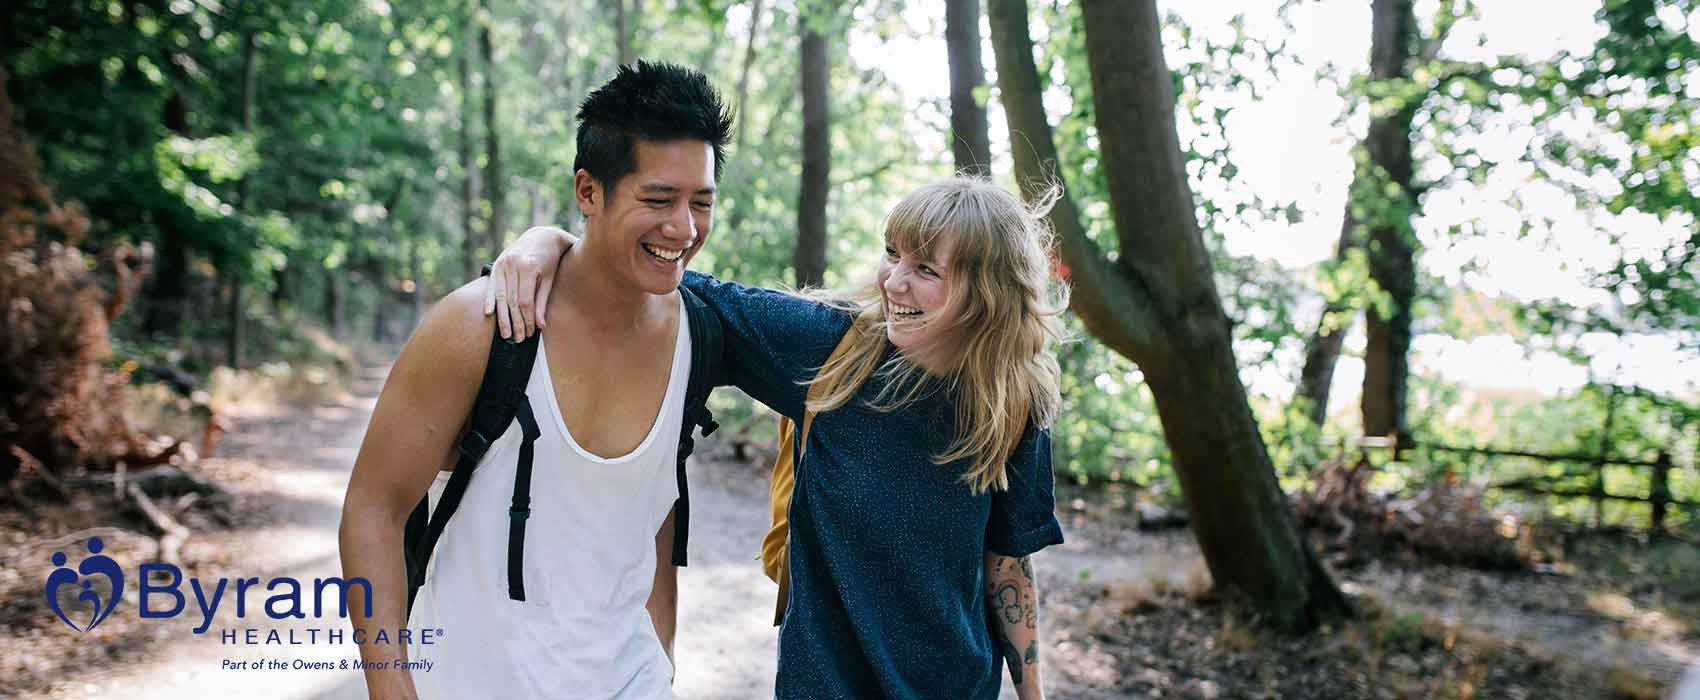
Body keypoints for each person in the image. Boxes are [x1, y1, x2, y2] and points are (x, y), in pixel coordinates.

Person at [491, 177, 1068, 699]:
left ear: (988, 292)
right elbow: (676, 287)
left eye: (927, 271)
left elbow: (1007, 565)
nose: (894, 281)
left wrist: (1032, 694)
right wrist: (551, 241)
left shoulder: (1013, 399)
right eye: (894, 255)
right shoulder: (832, 352)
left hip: (958, 685)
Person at [337, 61, 732, 699]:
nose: (684, 229)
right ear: (589, 191)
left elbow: (652, 514)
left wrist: (661, 662)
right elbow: (373, 509)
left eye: (702, 202)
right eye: (658, 200)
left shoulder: (705, 335)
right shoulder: (482, 325)